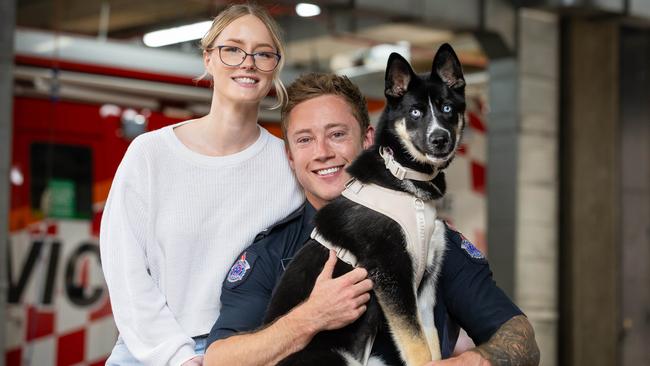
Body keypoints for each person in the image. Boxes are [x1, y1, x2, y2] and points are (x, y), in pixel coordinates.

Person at [203, 73, 540, 366]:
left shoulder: (430, 240)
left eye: (337, 134)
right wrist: (309, 318)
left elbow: (519, 337)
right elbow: (220, 359)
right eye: (305, 140)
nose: (322, 152)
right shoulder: (271, 253)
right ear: (290, 156)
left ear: (367, 140)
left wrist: (474, 361)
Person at [99, 4, 304, 365]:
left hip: (244, 351)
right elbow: (124, 267)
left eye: (263, 53)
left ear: (275, 66)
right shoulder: (151, 154)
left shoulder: (289, 165)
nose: (248, 62)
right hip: (150, 350)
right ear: (208, 58)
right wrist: (177, 357)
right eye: (233, 49)